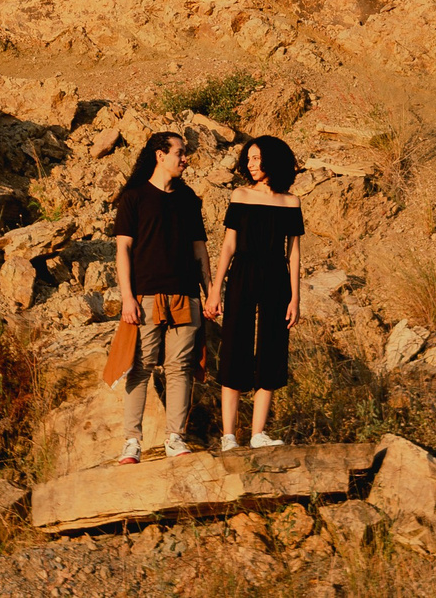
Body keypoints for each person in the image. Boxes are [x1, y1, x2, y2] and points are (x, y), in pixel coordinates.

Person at [110, 130, 210, 462]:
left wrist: (210, 293)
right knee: (140, 366)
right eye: (180, 152)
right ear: (159, 154)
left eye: (185, 153)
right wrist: (128, 297)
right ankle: (132, 442)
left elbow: (200, 250)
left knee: (181, 367)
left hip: (185, 295)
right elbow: (122, 250)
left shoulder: (189, 199)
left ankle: (175, 438)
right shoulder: (134, 197)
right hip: (146, 296)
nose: (185, 158)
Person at [204, 134, 304, 450]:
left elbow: (294, 253)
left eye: (257, 157)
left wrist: (296, 298)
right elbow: (229, 246)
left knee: (273, 348)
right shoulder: (240, 195)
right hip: (243, 273)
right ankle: (229, 436)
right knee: (235, 345)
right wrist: (215, 290)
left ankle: (259, 433)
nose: (251, 163)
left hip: (277, 277)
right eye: (248, 158)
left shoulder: (291, 202)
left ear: (272, 159)